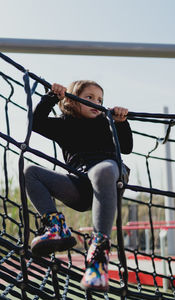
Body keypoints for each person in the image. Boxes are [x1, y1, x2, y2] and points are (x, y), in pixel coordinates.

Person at [25, 80, 133, 292]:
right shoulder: (65, 124)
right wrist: (51, 97)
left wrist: (121, 121)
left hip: (110, 177)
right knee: (31, 172)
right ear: (73, 101)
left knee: (102, 170)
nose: (96, 102)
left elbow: (127, 147)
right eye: (89, 98)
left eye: (100, 99)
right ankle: (55, 227)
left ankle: (99, 254)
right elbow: (35, 123)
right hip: (80, 186)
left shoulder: (105, 121)